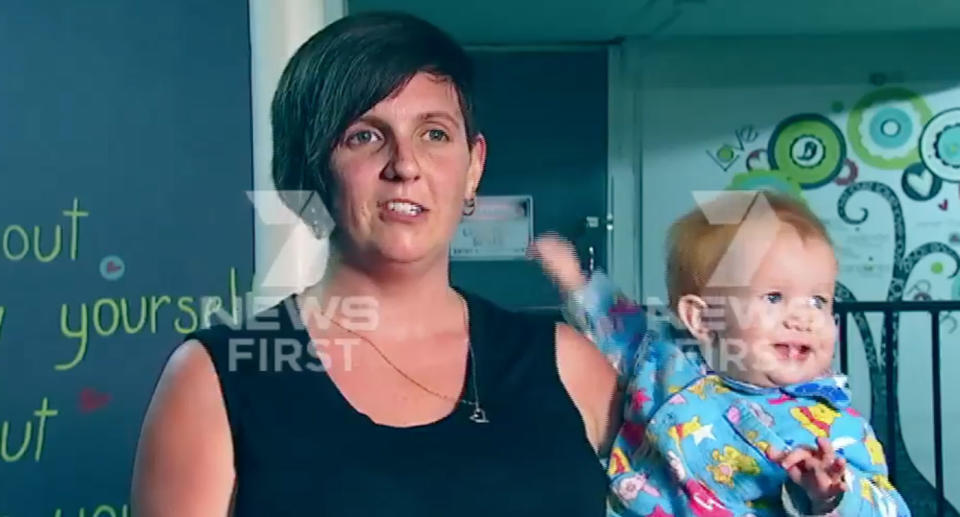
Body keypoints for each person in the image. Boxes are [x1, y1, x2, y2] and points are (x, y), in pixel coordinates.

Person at [130, 12, 619, 517]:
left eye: (434, 134)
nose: (405, 166)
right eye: (364, 136)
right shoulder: (219, 378)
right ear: (311, 168)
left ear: (473, 167)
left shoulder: (568, 365)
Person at [533, 191, 910, 516]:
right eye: (774, 297)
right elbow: (618, 324)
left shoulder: (830, 425)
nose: (804, 318)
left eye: (818, 300)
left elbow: (890, 506)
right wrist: (574, 280)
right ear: (700, 318)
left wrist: (831, 495)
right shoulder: (665, 355)